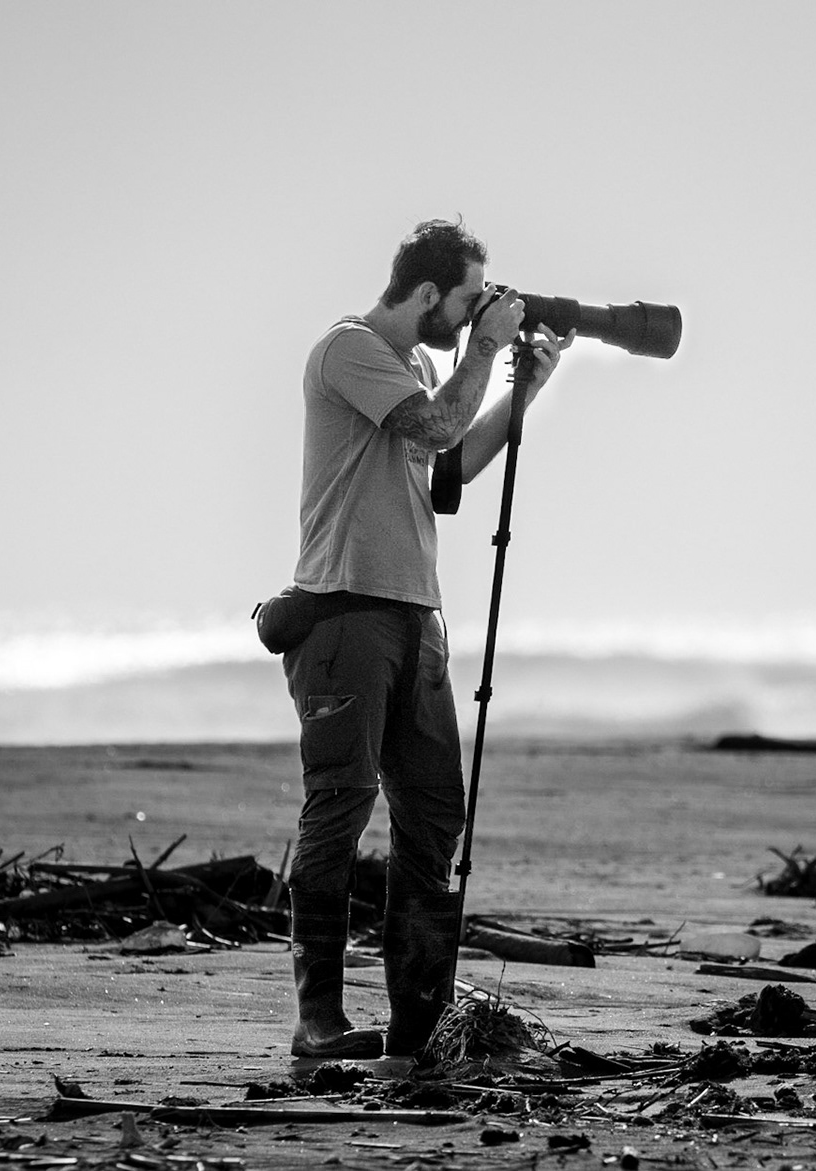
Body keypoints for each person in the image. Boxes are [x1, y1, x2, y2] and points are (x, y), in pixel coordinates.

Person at [280, 218, 570, 1059]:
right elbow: (438, 427)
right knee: (341, 803)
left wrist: (523, 392)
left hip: (416, 615)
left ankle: (417, 1019)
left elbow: (451, 469)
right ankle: (318, 1020)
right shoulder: (349, 349)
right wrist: (486, 349)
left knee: (436, 812)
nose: (477, 313)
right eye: (471, 299)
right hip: (344, 611)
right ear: (430, 292)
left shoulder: (421, 370)